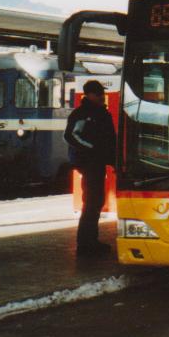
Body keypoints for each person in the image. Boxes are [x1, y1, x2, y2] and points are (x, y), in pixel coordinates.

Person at [64, 80, 116, 257]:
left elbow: (109, 139)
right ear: (90, 95)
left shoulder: (100, 113)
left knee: (96, 201)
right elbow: (70, 136)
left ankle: (90, 241)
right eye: (99, 93)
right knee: (92, 202)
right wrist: (92, 149)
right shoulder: (82, 114)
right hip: (89, 163)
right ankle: (86, 244)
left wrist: (112, 158)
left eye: (102, 92)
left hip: (97, 162)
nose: (102, 96)